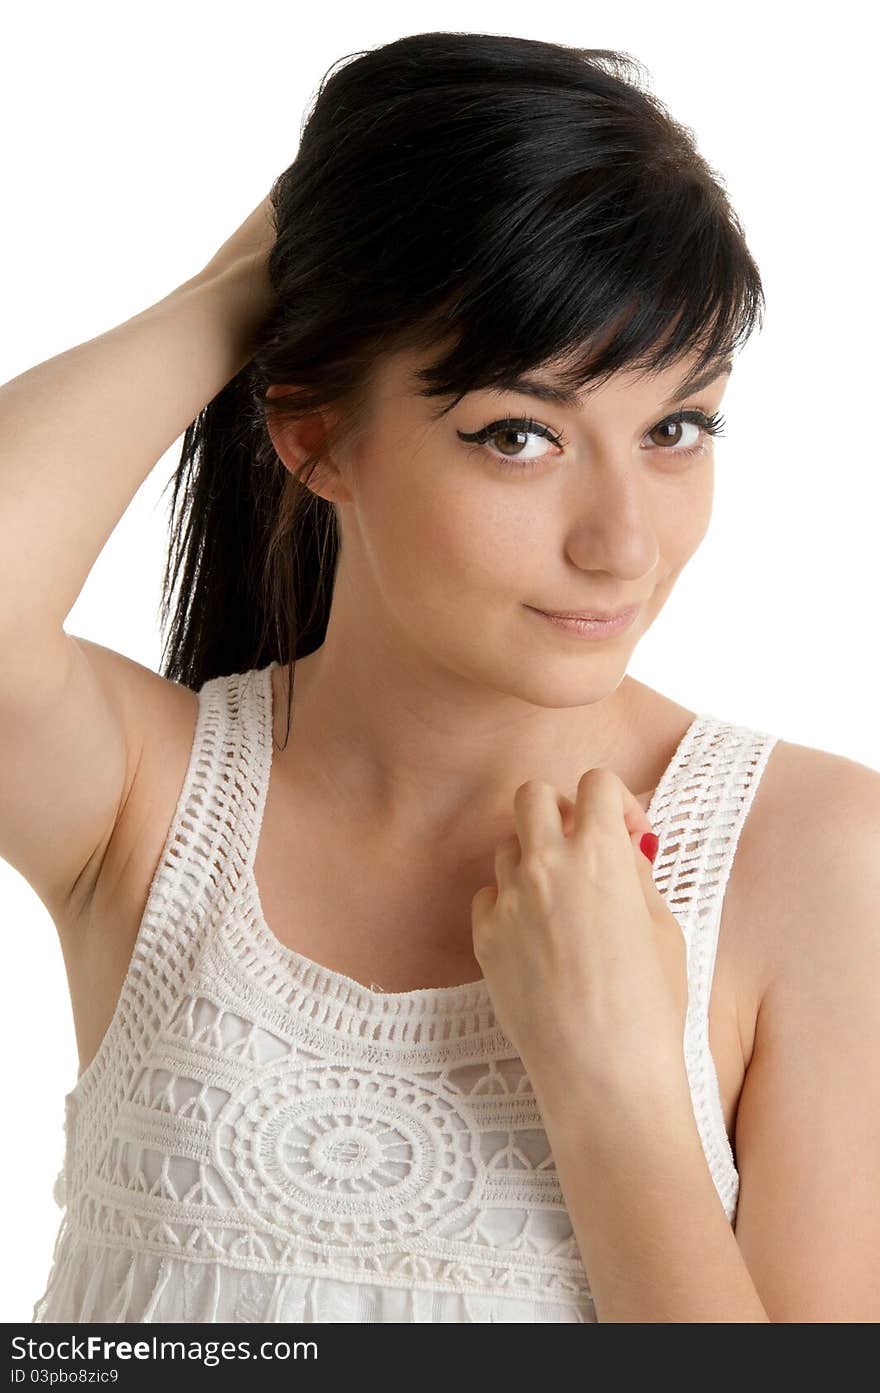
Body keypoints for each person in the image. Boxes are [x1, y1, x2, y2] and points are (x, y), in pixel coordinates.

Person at [4, 32, 877, 1324]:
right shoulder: (153, 806)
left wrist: (618, 1092)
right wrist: (253, 279)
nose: (623, 541)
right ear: (313, 432)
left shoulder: (811, 859)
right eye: (519, 434)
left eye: (675, 428)